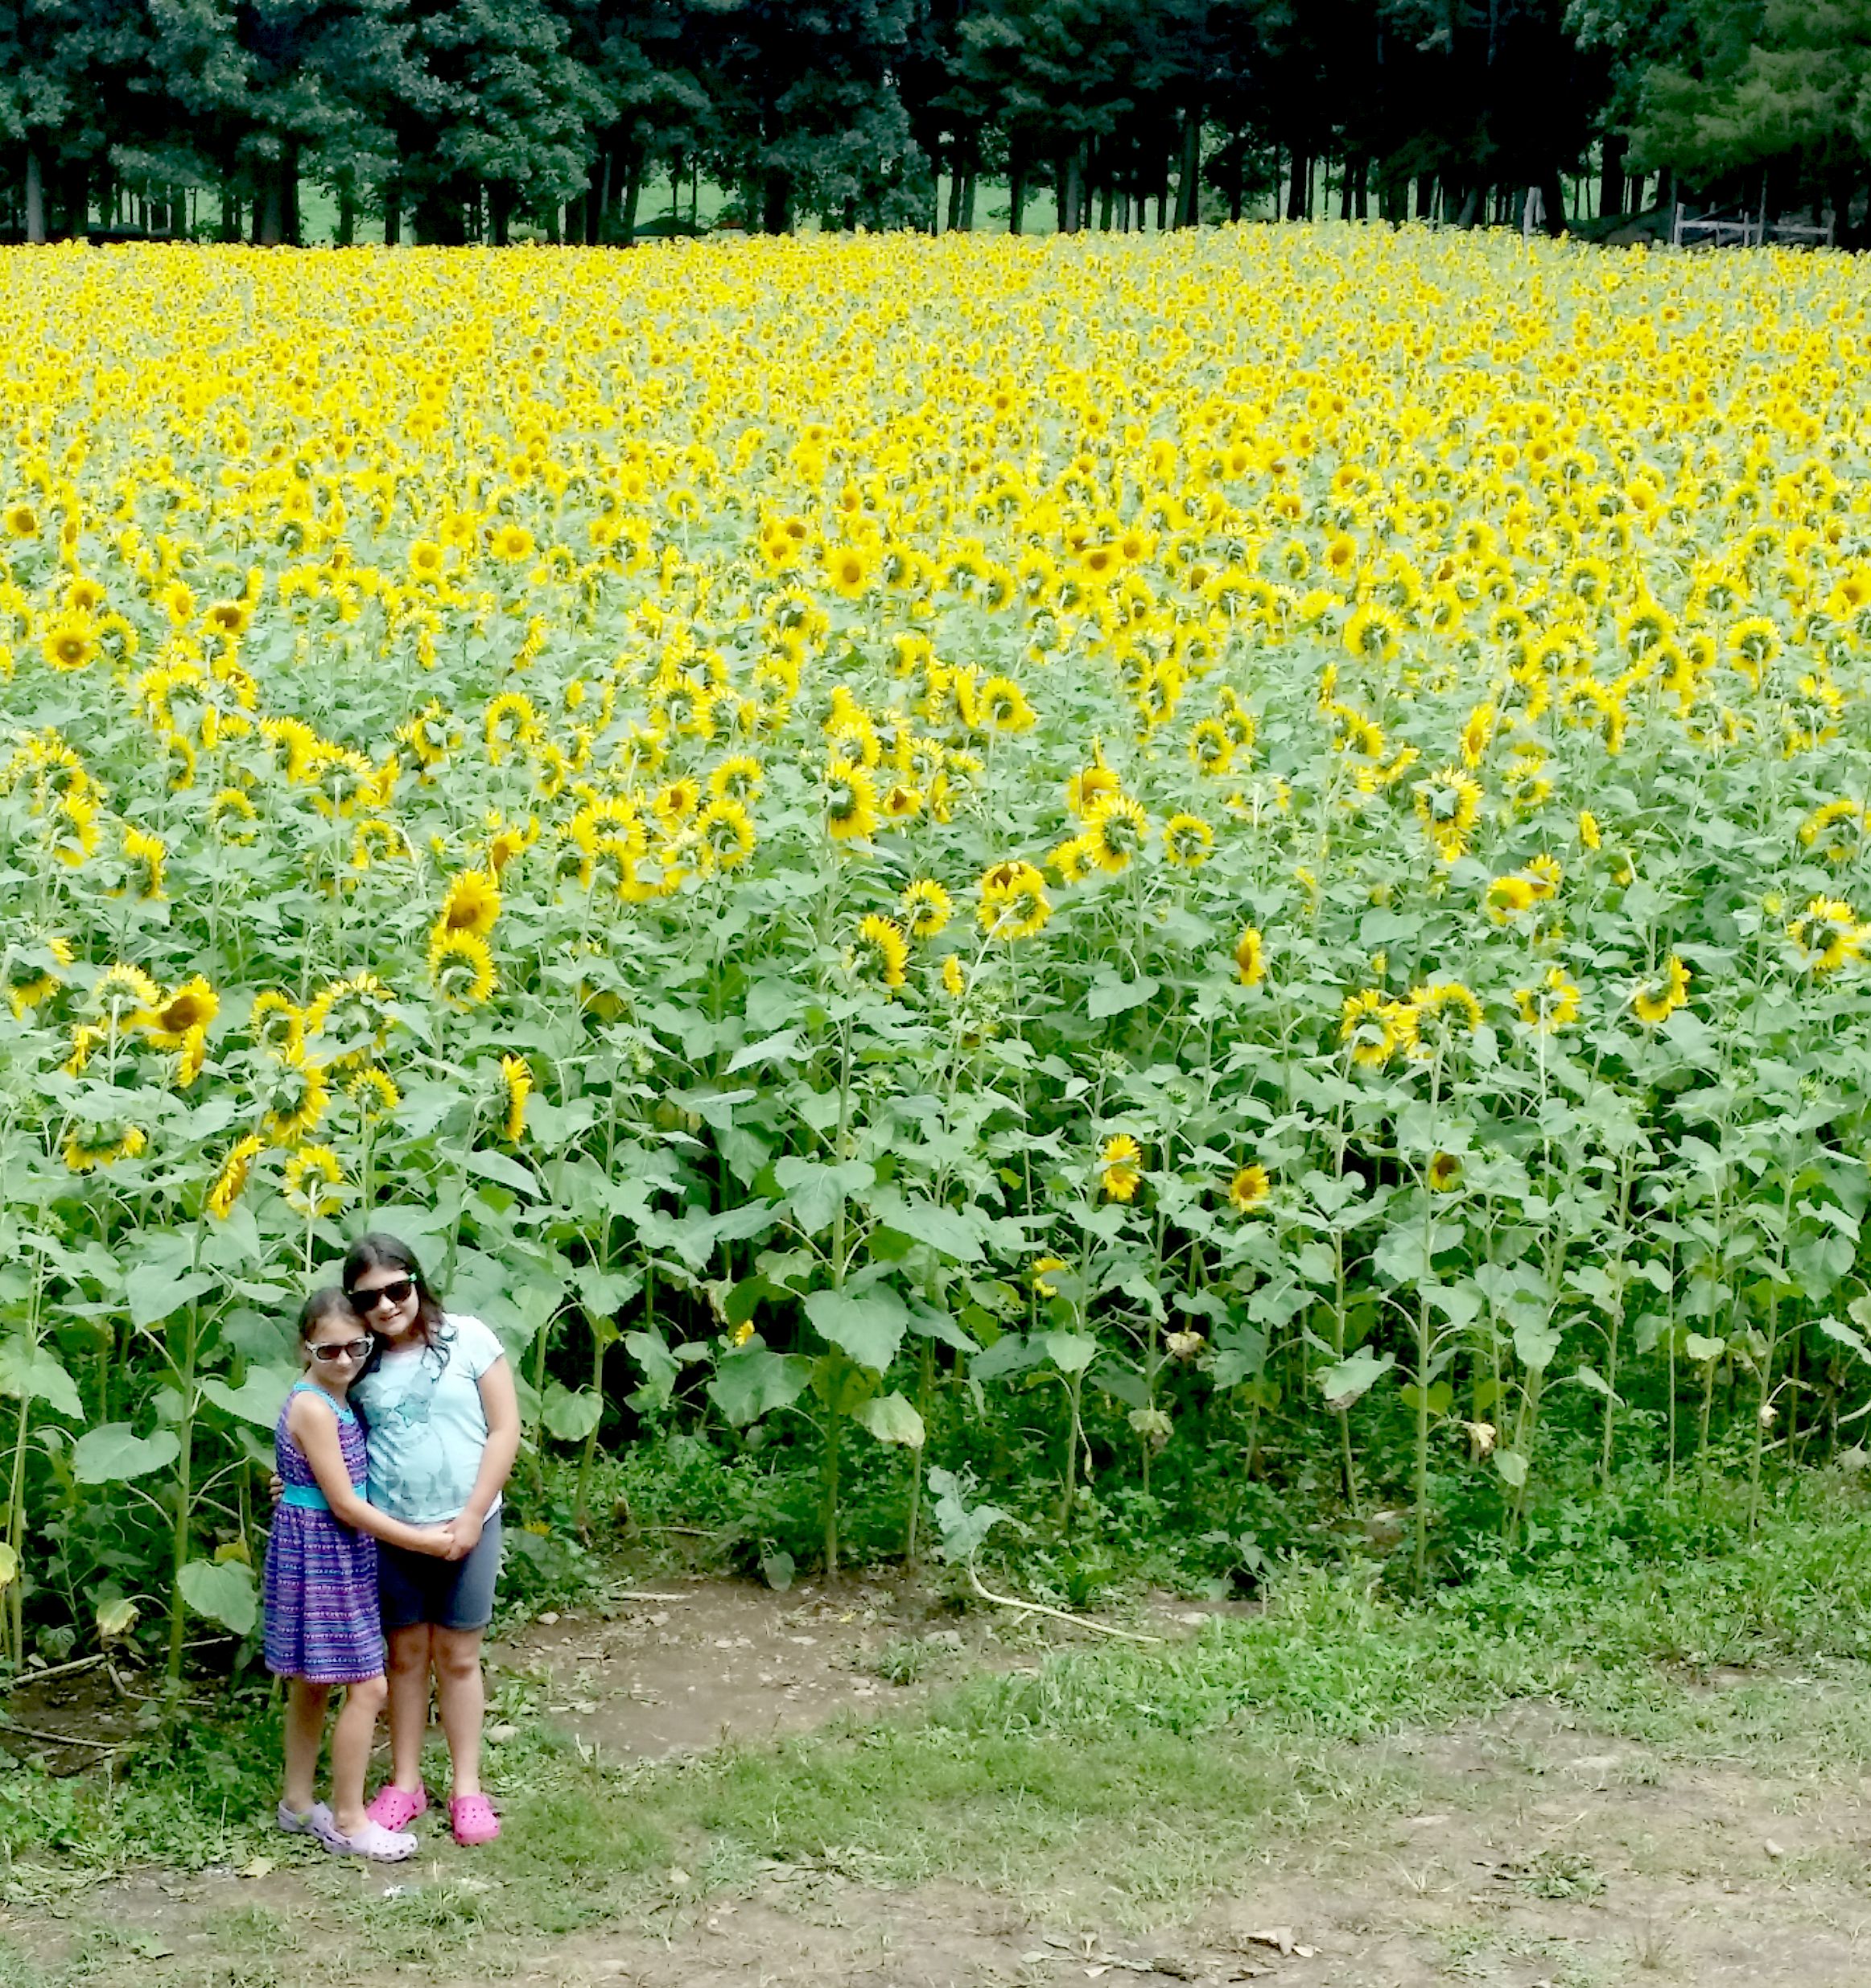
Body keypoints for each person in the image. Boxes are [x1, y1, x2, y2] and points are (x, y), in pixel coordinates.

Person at [266, 1288, 463, 1862]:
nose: (346, 1360)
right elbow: (347, 1505)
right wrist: (423, 1541)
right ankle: (349, 1820)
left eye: (358, 1347)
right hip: (323, 1551)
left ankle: (299, 1803)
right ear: (304, 1348)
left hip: (325, 1546)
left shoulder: (335, 1398)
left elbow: (319, 1476)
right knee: (368, 1684)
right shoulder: (313, 1404)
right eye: (329, 1351)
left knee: (313, 1681)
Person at [344, 1232, 520, 1847]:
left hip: (468, 1519)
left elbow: (504, 1428)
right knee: (406, 1656)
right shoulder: (357, 1362)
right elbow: (335, 1434)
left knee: (460, 1656)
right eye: (370, 1299)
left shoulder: (467, 1338)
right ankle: (405, 1782)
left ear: (417, 1282)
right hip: (395, 1528)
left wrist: (473, 1514)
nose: (387, 1306)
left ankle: (468, 1787)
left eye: (398, 1289)